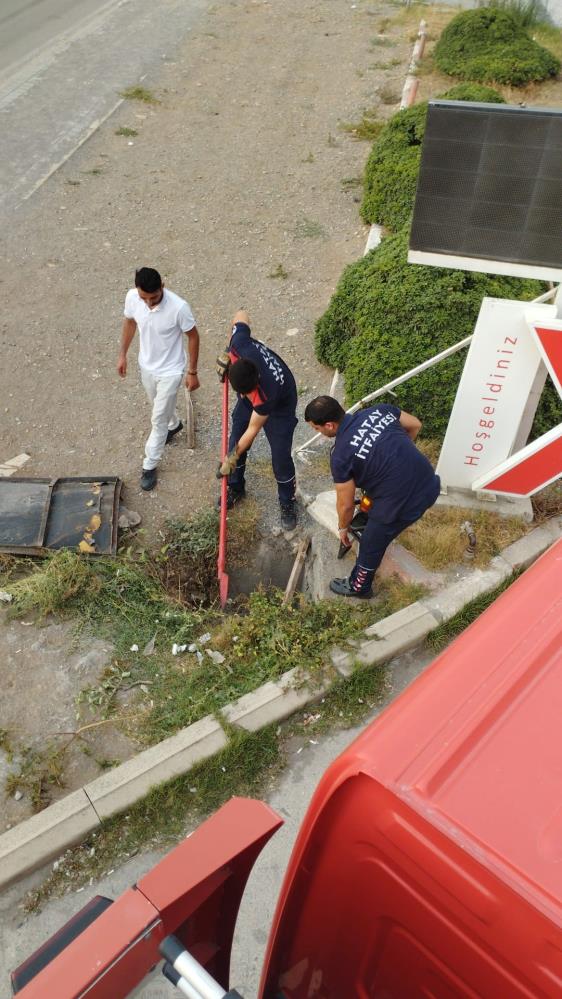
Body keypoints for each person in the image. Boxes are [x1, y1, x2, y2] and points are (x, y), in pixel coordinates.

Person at [304, 395, 440, 598]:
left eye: (317, 428)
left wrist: (342, 527)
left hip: (406, 502)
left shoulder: (340, 455)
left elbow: (346, 504)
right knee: (375, 500)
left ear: (330, 425)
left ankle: (359, 586)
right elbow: (415, 425)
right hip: (430, 484)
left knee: (370, 543)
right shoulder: (379, 410)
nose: (319, 432)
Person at [117, 267, 200, 491]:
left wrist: (192, 372)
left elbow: (193, 336)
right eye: (144, 298)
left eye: (153, 298)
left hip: (171, 371)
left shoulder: (179, 307)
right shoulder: (133, 298)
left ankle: (149, 464)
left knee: (157, 418)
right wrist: (122, 354)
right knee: (159, 408)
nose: (149, 303)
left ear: (162, 286)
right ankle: (174, 425)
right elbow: (130, 322)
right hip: (147, 366)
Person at [216, 310, 298, 531]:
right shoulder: (239, 344)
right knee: (235, 438)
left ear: (256, 381)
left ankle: (287, 501)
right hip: (256, 391)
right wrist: (226, 353)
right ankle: (236, 487)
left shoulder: (265, 394)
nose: (242, 397)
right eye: (239, 393)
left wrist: (230, 458)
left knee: (280, 456)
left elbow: (252, 430)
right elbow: (240, 314)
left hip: (281, 404)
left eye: (246, 394)